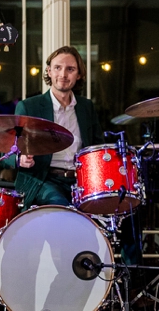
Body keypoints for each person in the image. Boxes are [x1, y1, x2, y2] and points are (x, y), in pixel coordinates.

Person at [11, 46, 100, 208]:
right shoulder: (29, 107)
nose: (63, 75)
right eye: (57, 68)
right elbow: (6, 150)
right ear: (49, 71)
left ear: (79, 75)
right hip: (43, 179)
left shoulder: (86, 107)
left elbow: (97, 147)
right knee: (62, 208)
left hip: (80, 181)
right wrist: (20, 158)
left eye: (70, 69)